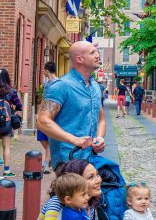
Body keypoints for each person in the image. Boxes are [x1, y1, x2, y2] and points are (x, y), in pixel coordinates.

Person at [36, 41, 107, 173]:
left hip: (90, 159)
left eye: (96, 52)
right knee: (72, 194)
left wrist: (100, 138)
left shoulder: (95, 87)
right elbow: (41, 121)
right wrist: (74, 140)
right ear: (79, 59)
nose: (98, 55)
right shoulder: (61, 86)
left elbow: (101, 118)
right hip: (68, 160)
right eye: (92, 53)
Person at [0, 69, 24, 178]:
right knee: (6, 146)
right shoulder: (11, 91)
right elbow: (20, 106)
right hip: (6, 123)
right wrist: (12, 111)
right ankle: (6, 170)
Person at [38, 62, 59, 174]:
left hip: (53, 115)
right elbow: (44, 99)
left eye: (44, 70)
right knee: (41, 137)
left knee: (50, 140)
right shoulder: (46, 84)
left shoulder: (59, 83)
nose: (43, 72)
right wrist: (39, 113)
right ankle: (51, 157)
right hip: (44, 113)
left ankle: (46, 164)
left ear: (47, 70)